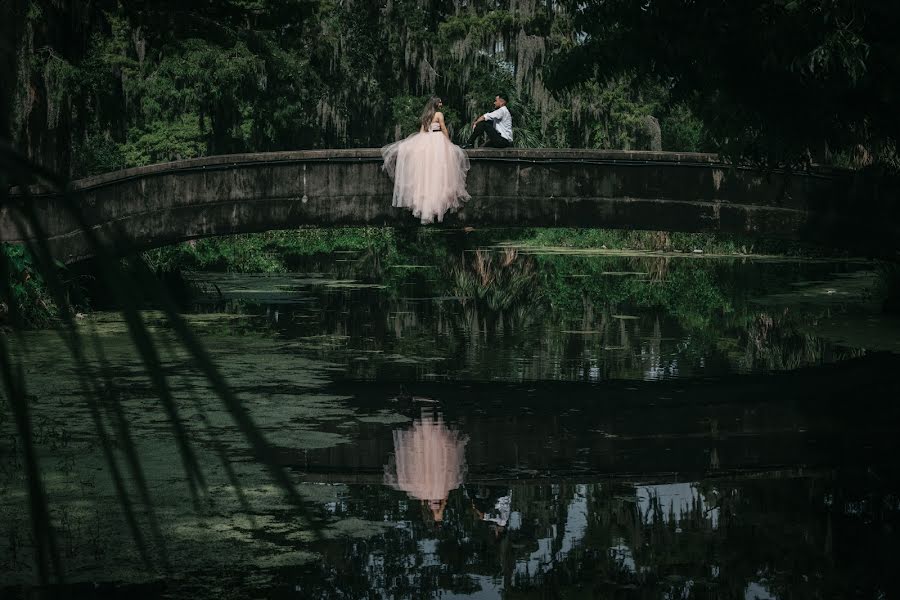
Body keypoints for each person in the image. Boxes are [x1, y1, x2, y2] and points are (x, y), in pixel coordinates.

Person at [381, 97, 471, 224]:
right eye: (440, 102)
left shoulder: (426, 115)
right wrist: (448, 141)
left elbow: (422, 132)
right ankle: (436, 206)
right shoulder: (439, 114)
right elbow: (444, 128)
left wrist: (421, 144)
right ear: (435, 104)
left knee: (426, 172)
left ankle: (424, 206)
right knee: (438, 169)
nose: (442, 103)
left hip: (427, 139)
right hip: (438, 140)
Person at [383, 408, 468, 523]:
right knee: (433, 457)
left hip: (433, 485)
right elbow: (443, 501)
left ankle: (428, 420)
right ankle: (429, 421)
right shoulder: (435, 492)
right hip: (435, 484)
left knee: (427, 458)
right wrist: (439, 510)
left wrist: (438, 510)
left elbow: (441, 502)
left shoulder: (428, 494)